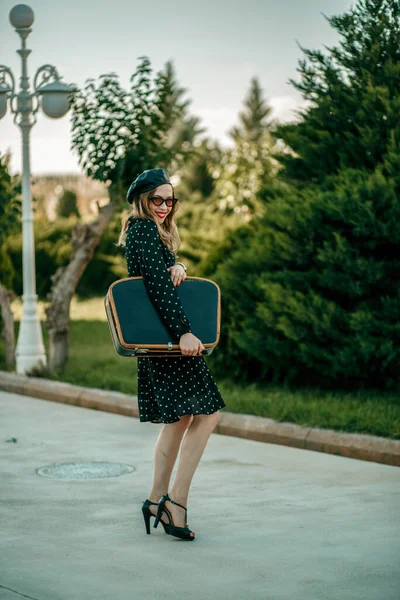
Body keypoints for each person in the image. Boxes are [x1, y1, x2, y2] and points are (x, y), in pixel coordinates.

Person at [117, 168, 227, 541]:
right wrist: (183, 332)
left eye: (169, 199)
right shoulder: (144, 228)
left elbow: (159, 276)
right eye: (157, 199)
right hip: (170, 340)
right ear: (142, 199)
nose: (164, 206)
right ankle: (175, 501)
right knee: (208, 415)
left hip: (160, 341)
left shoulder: (140, 231)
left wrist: (178, 264)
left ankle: (154, 499)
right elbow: (159, 289)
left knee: (180, 418)